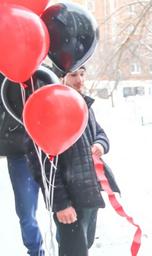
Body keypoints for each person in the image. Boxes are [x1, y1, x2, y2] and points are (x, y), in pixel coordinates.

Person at [26, 66, 119, 256]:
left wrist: (100, 145)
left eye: (83, 74)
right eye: (73, 75)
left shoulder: (83, 105)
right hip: (70, 199)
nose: (80, 80)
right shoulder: (49, 109)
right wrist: (61, 204)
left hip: (90, 193)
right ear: (60, 79)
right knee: (74, 251)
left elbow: (100, 133)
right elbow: (42, 163)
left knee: (85, 244)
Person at [0, 73, 44, 256]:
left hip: (51, 148)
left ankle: (66, 248)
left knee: (65, 207)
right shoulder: (3, 79)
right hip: (19, 153)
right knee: (26, 214)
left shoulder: (44, 73)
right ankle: (36, 252)